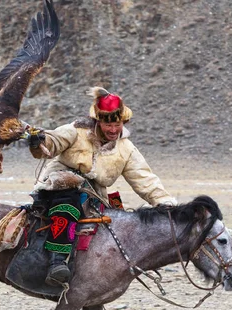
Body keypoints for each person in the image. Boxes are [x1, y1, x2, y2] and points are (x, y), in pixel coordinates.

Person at [26, 87, 177, 286]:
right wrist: (40, 140)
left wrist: (166, 203)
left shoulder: (126, 149)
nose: (113, 130)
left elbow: (145, 179)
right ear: (98, 121)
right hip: (58, 186)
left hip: (93, 194)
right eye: (108, 125)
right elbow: (53, 142)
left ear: (123, 122)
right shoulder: (75, 131)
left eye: (117, 124)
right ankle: (57, 262)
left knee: (119, 221)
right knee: (69, 201)